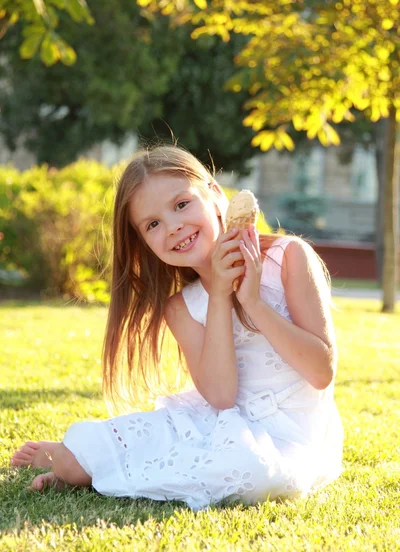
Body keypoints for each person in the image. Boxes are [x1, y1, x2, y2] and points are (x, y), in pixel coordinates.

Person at [11, 145, 344, 510]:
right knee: (81, 458)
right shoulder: (183, 306)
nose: (174, 227)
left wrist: (252, 302)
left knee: (251, 472)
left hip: (291, 439)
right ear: (144, 243)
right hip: (216, 420)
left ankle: (101, 471)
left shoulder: (289, 257)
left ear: (215, 194)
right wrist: (219, 294)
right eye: (152, 224)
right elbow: (220, 397)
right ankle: (69, 461)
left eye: (182, 204)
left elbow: (321, 371)